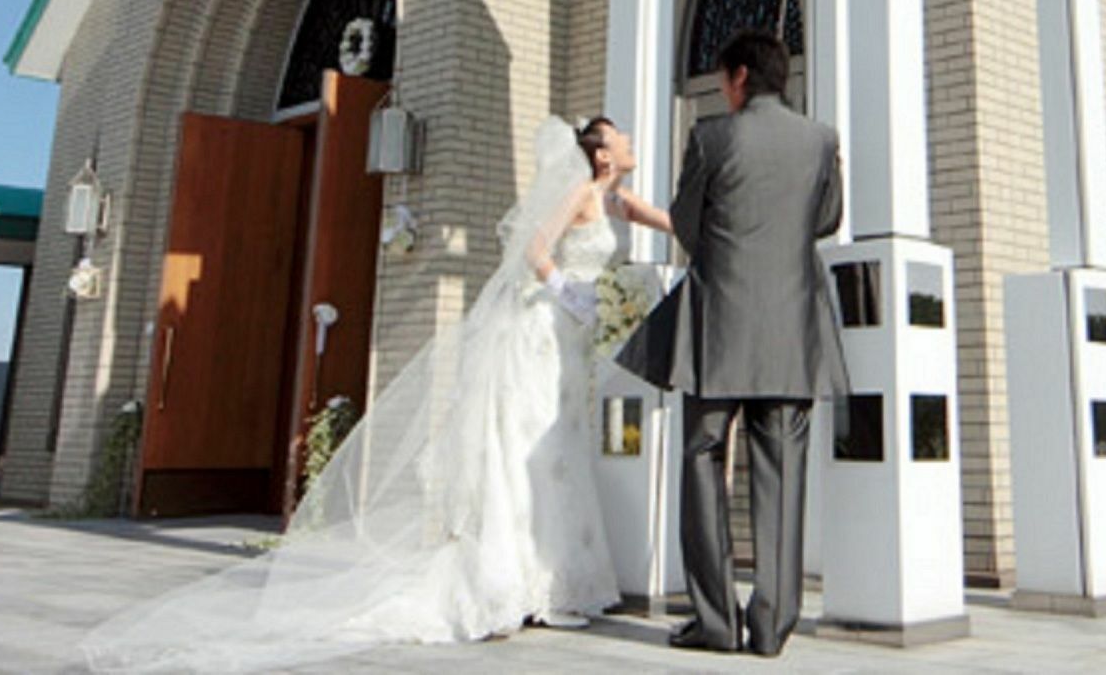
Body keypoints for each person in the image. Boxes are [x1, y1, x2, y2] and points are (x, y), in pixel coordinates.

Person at [81, 115, 668, 673]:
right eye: (623, 138)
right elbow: (536, 249)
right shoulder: (580, 194)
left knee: (561, 453)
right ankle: (513, 580)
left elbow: (660, 218)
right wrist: (568, 291)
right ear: (600, 154)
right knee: (532, 452)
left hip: (571, 344)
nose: (633, 142)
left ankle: (560, 578)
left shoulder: (616, 200)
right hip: (543, 331)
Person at [615, 28, 851, 657]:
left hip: (717, 326)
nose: (722, 88)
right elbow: (827, 220)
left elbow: (687, 223)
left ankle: (715, 621)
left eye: (723, 78)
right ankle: (771, 627)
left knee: (701, 457)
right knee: (783, 469)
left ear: (741, 76)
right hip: (791, 328)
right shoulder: (821, 140)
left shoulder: (711, 136)